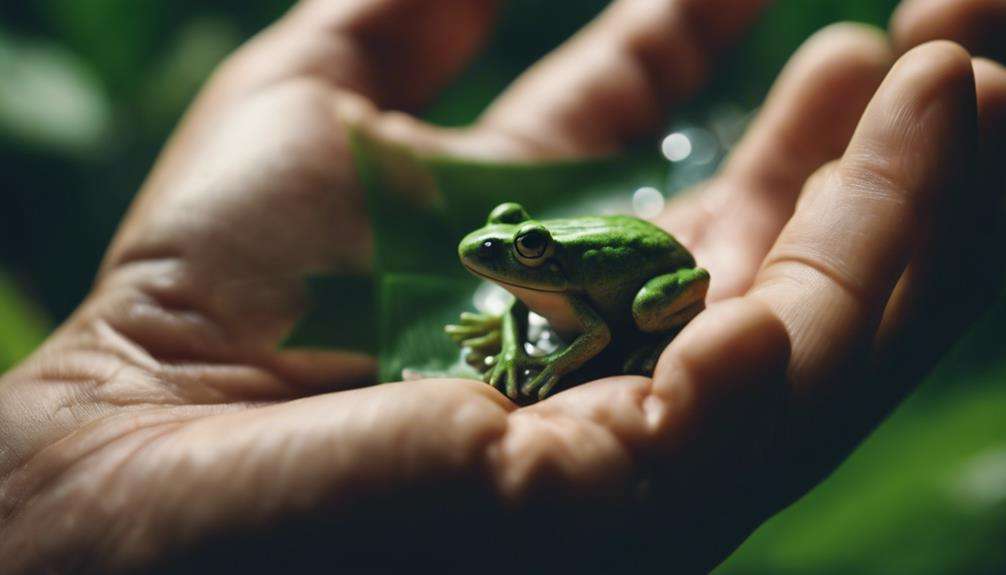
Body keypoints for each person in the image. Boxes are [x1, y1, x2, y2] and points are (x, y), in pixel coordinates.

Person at [1, 0, 1004, 572]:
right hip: (591, 277)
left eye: (514, 257)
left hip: (648, 281)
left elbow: (579, 336)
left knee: (650, 313)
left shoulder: (563, 291)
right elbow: (530, 326)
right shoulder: (532, 283)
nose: (493, 259)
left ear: (540, 267)